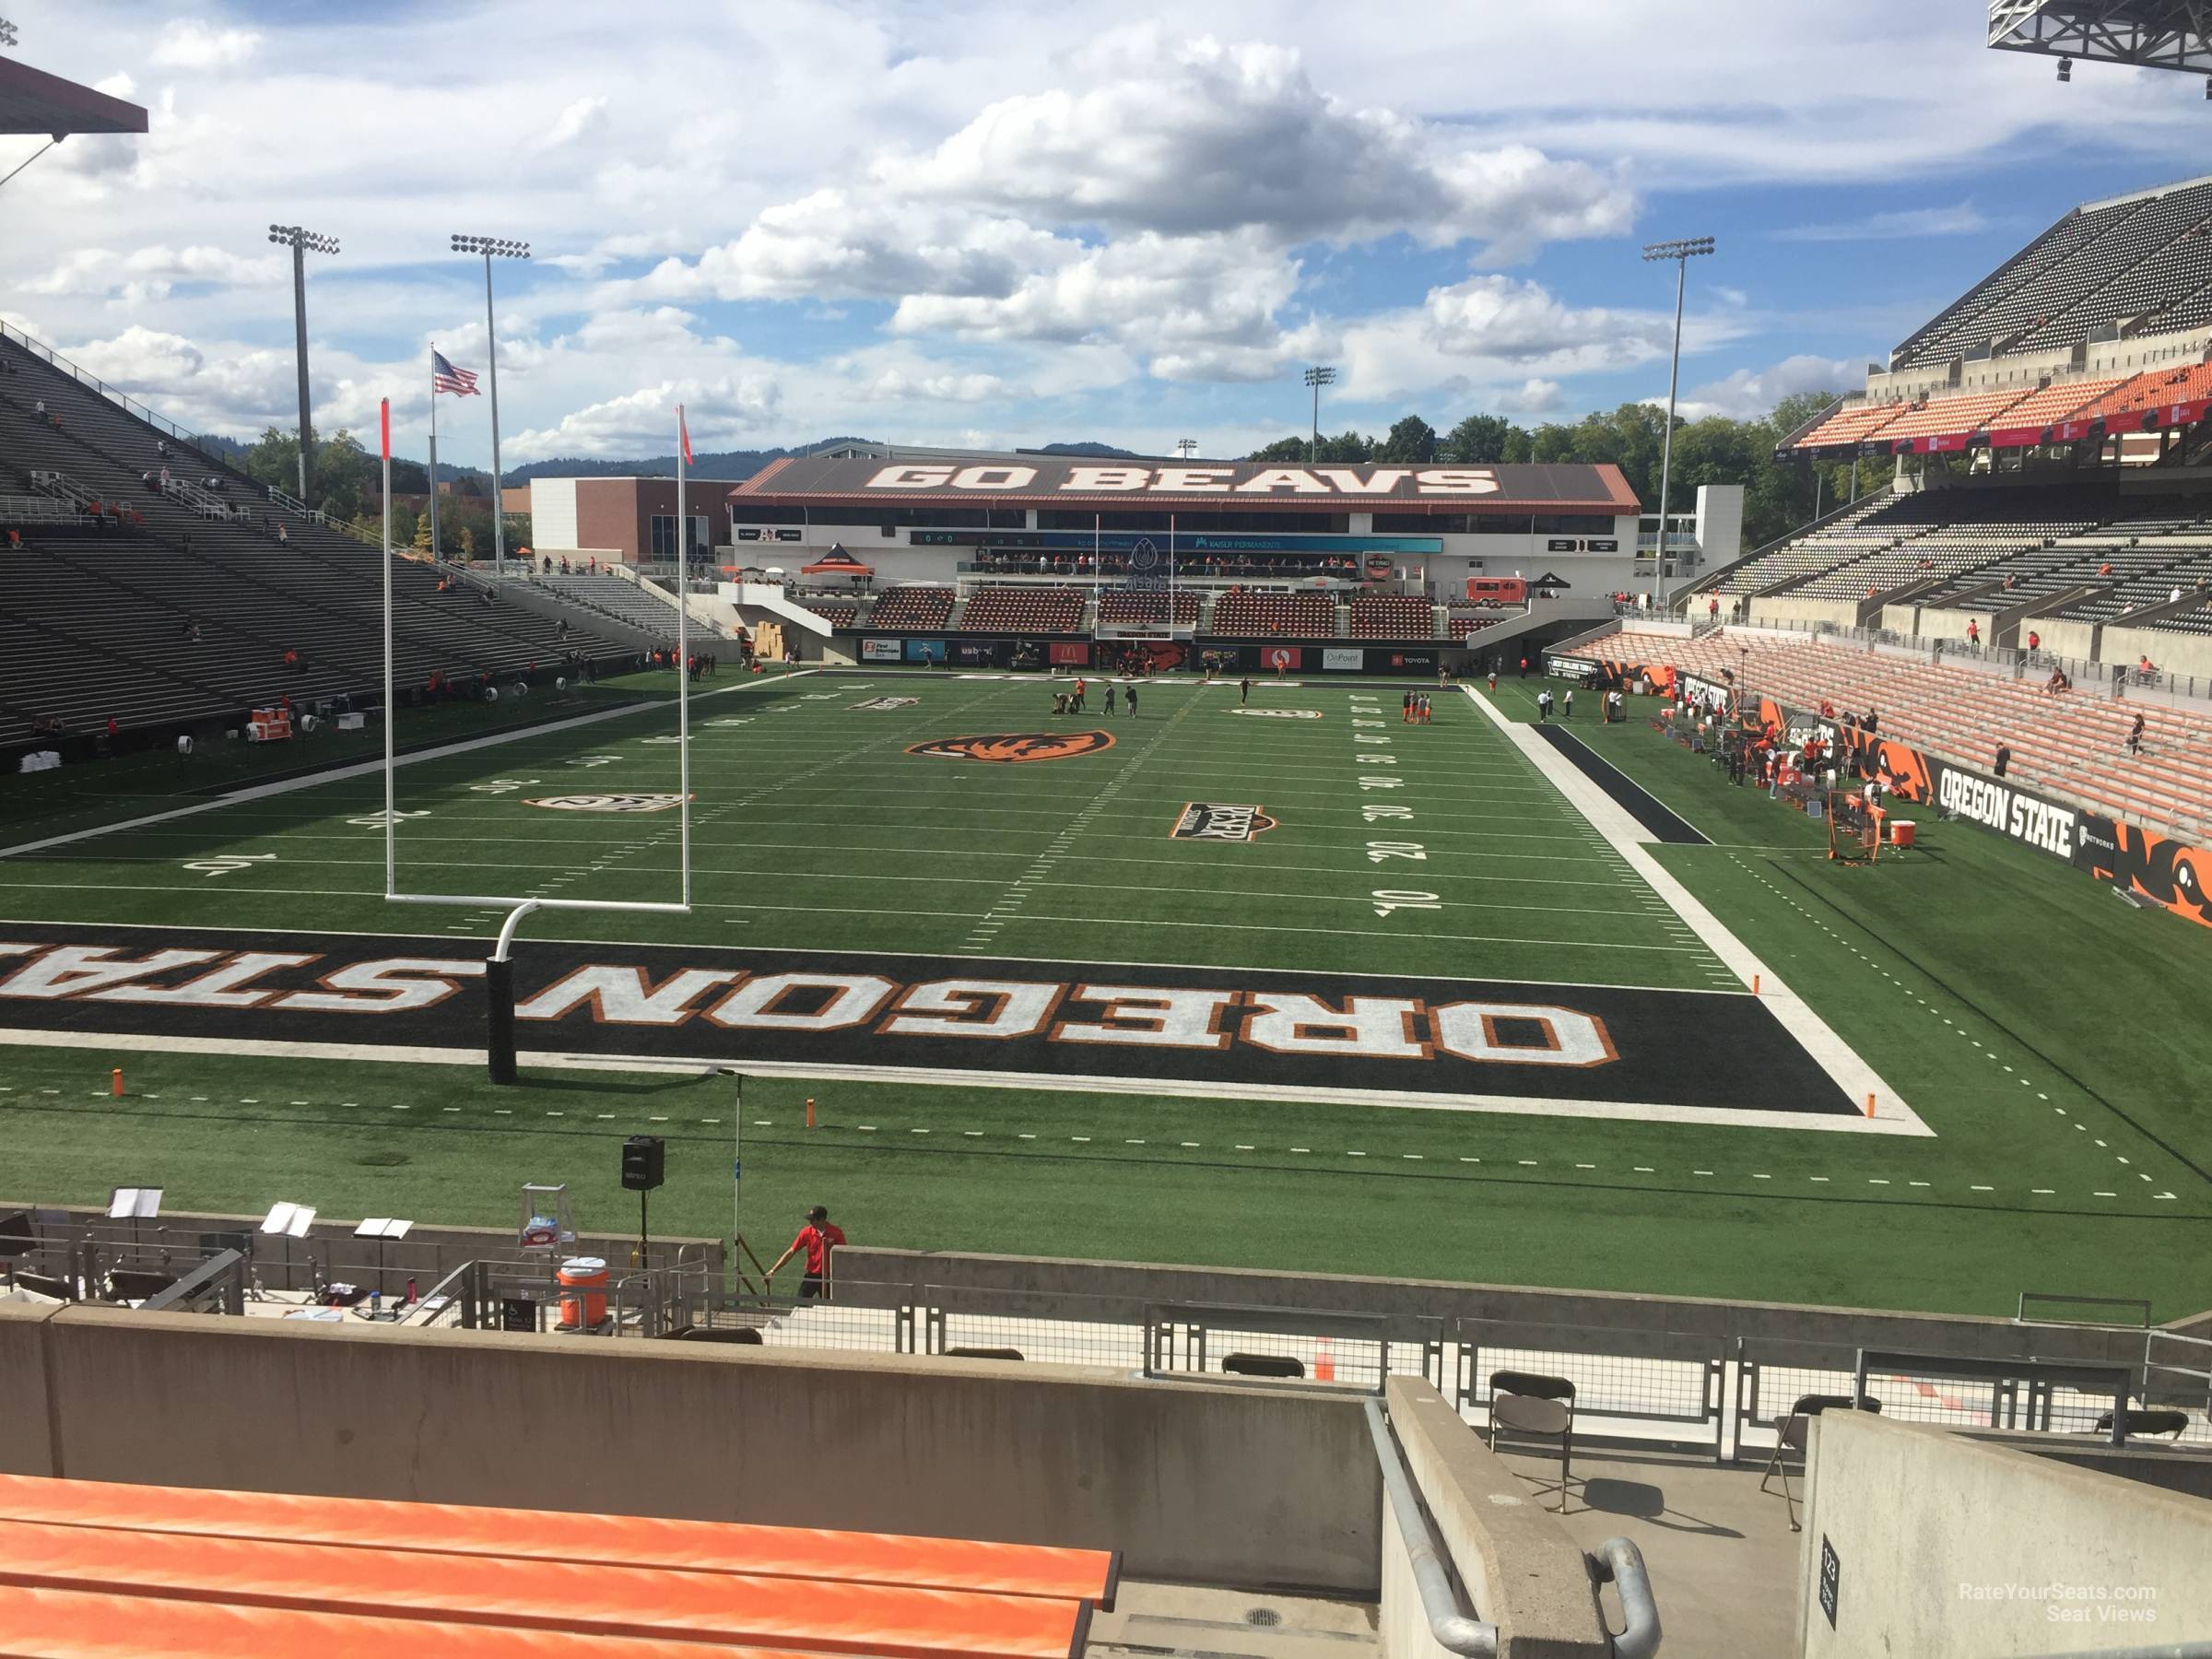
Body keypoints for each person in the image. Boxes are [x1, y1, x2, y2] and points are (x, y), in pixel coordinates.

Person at [767, 1206, 846, 1300]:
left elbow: (844, 1255)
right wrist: (773, 1270)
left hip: (829, 1277)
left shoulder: (836, 1233)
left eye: (813, 1220)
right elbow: (791, 1252)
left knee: (830, 1308)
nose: (810, 1222)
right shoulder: (806, 1232)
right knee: (800, 1303)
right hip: (811, 1276)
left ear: (822, 1219)